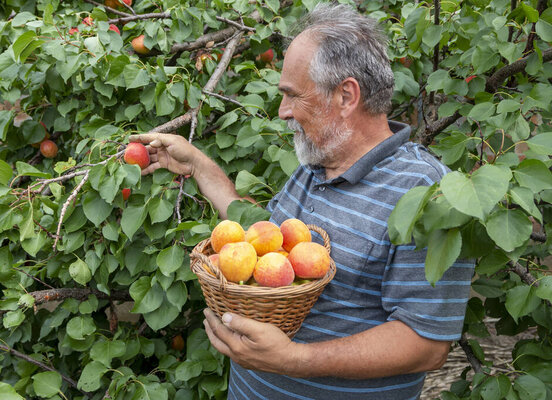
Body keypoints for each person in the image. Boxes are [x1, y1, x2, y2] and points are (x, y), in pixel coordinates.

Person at [130, 3, 474, 399]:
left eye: (292, 96)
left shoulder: (426, 192)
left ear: (346, 96)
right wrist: (197, 165)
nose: (283, 112)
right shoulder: (315, 163)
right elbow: (263, 240)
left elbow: (426, 344)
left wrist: (292, 359)